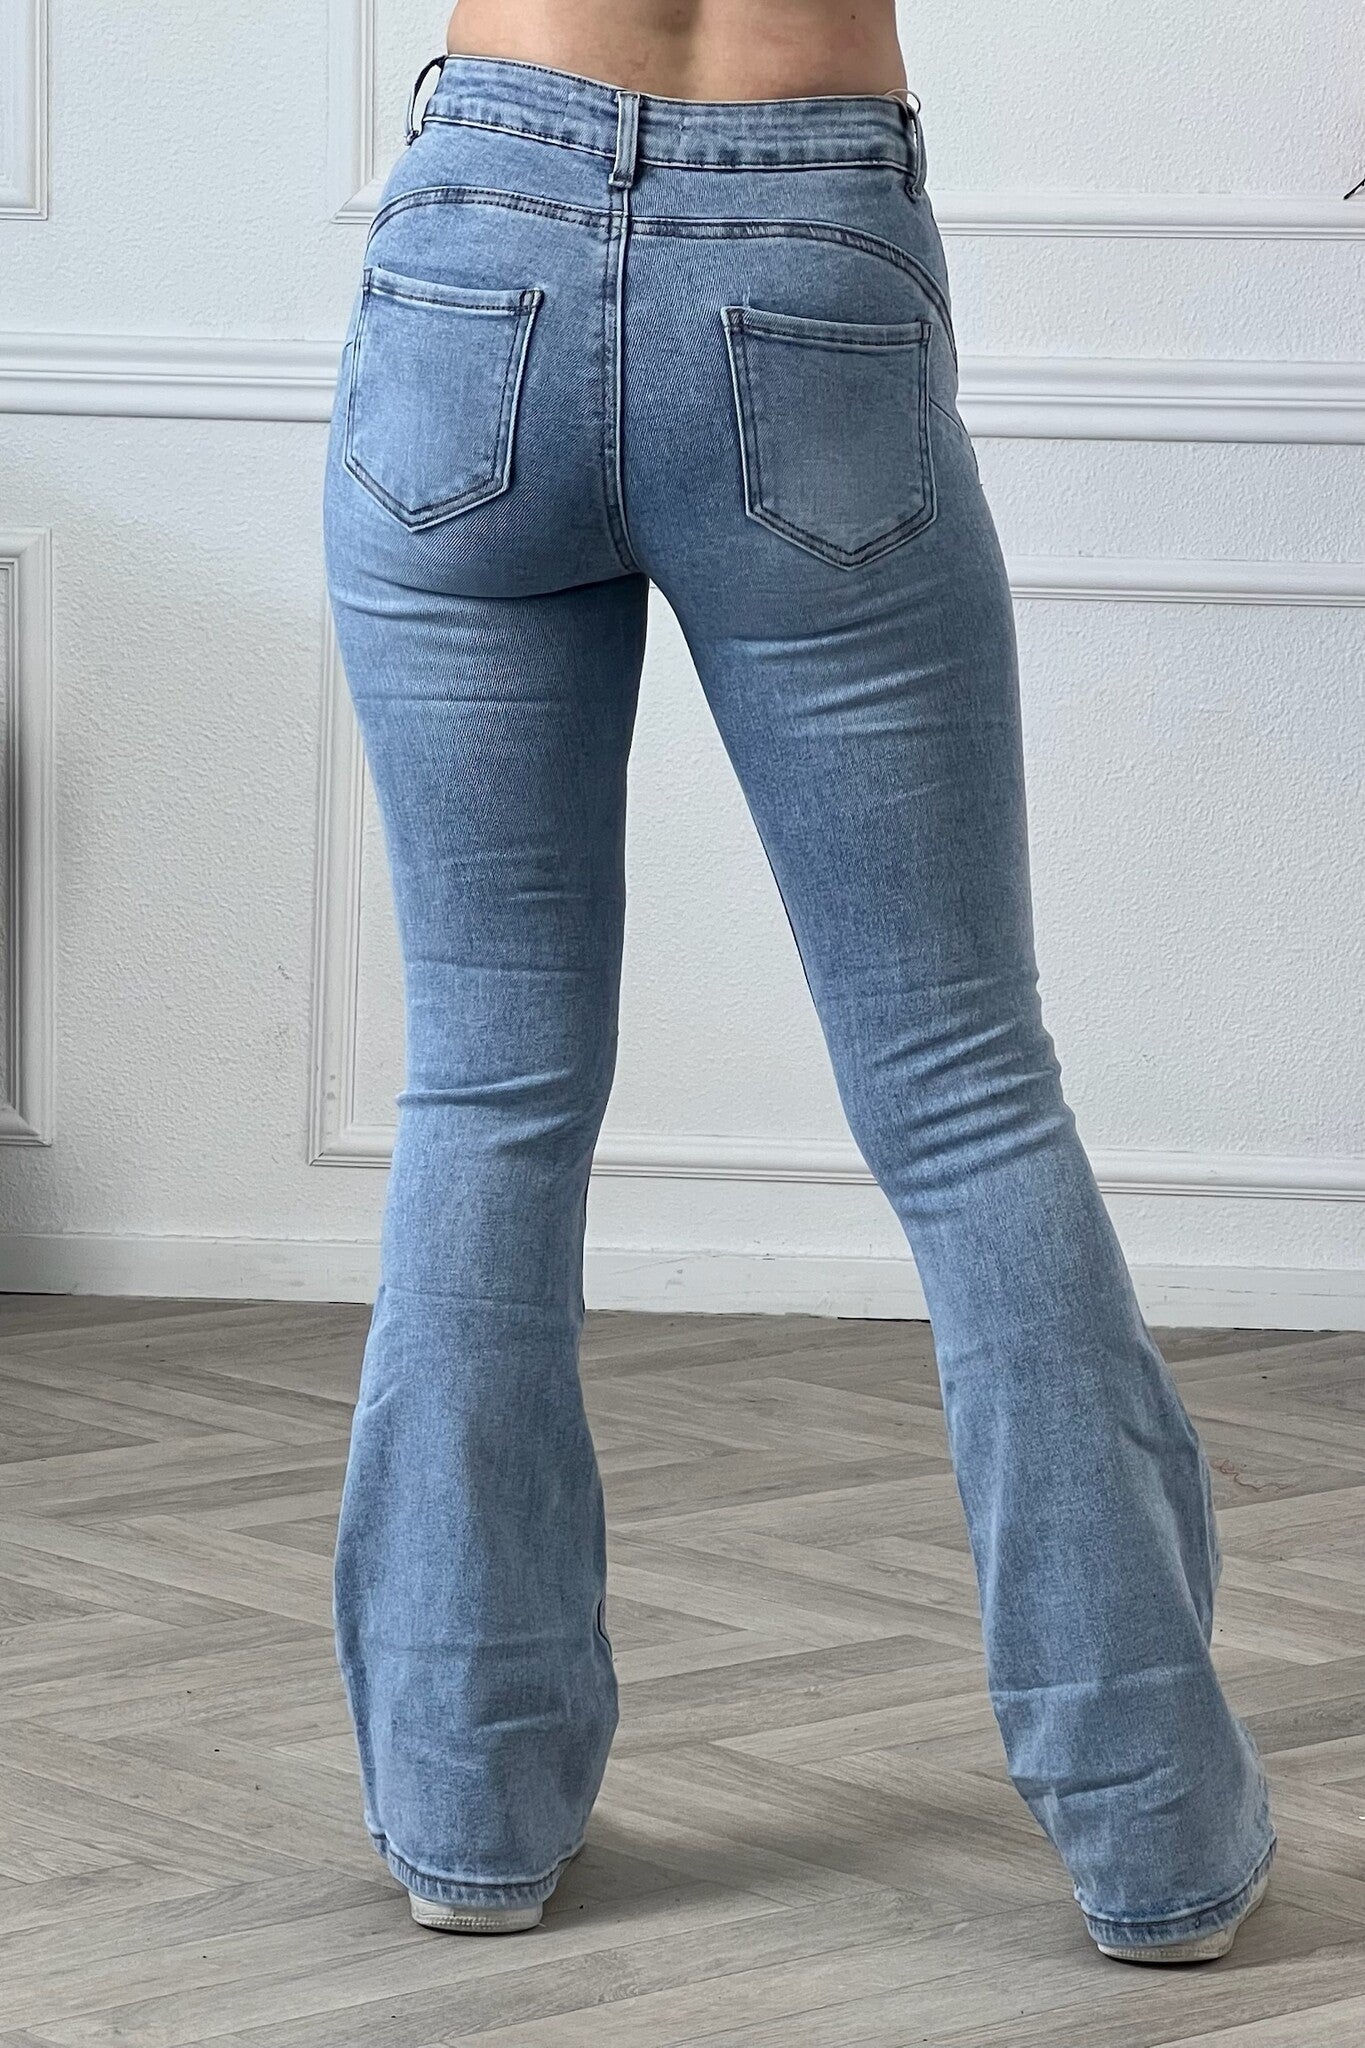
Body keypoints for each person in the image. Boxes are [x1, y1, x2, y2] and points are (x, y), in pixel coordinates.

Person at [321, 0, 1276, 1964]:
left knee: (486, 1087)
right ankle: (1152, 1842)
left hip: (477, 240)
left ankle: (465, 1819)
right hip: (801, 226)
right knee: (964, 1094)